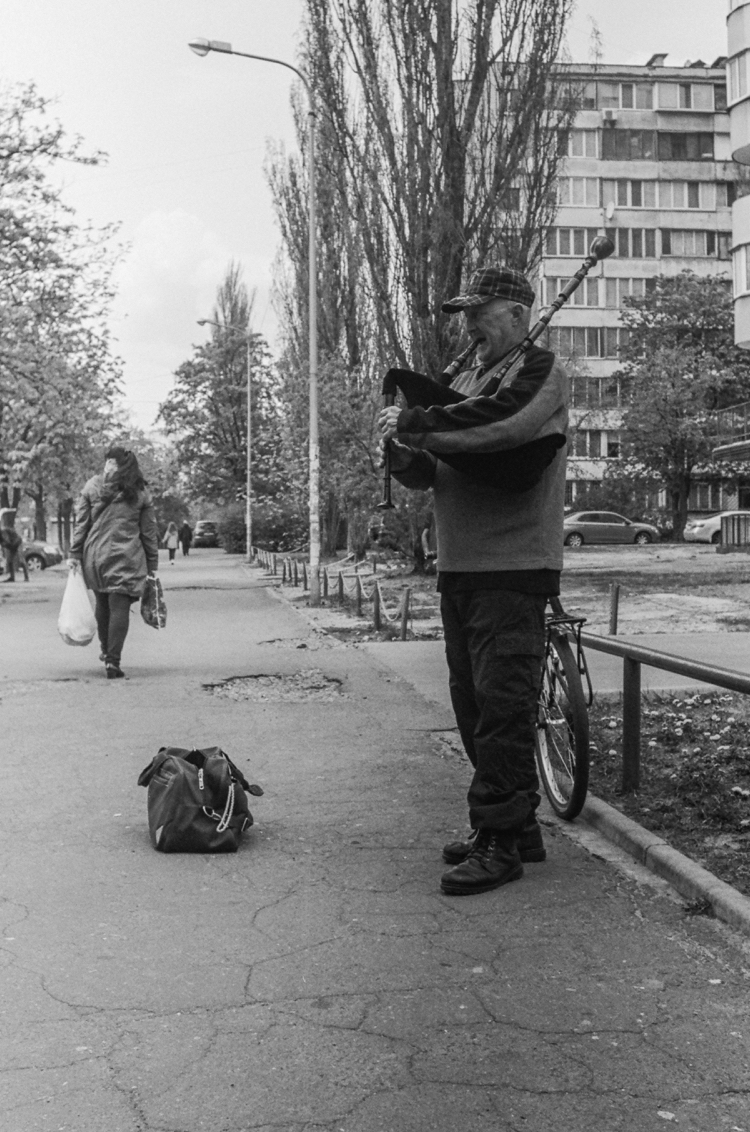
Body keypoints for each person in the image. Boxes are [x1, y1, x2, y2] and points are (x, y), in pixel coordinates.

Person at [378, 265, 569, 897]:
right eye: (463, 313)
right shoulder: (467, 381)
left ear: (516, 314)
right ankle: (516, 828)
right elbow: (437, 468)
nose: (468, 325)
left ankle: (500, 844)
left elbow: (505, 426)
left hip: (513, 567)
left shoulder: (538, 372)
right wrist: (407, 455)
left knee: (503, 707)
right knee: (473, 704)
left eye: (478, 312)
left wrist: (419, 422)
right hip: (460, 566)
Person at [69, 447, 159, 679]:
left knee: (102, 601)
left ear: (113, 464)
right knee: (119, 605)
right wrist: (152, 563)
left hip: (96, 555)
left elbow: (81, 524)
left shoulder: (92, 486)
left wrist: (75, 554)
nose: (106, 465)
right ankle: (112, 660)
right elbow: (148, 532)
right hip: (127, 556)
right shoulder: (139, 492)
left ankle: (106, 651)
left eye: (109, 461)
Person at [0, 511, 29, 583]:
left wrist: (3, 544)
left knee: (21, 560)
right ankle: (12, 577)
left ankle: (26, 577)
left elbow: (7, 541)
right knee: (9, 561)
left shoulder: (3, 532)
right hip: (12, 546)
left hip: (18, 543)